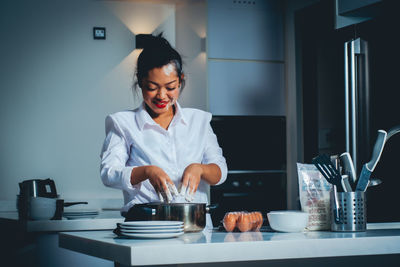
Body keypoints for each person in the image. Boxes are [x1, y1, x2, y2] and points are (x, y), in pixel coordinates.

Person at [100, 33, 227, 227]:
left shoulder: (198, 120)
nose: (161, 95)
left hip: (195, 228)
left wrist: (200, 168)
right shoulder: (123, 123)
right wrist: (146, 172)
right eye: (152, 87)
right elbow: (109, 173)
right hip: (145, 228)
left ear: (180, 80)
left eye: (170, 87)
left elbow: (220, 171)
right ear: (140, 81)